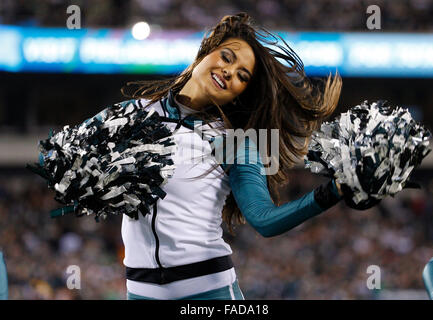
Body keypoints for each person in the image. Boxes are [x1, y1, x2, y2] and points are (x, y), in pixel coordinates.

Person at [47, 12, 345, 300]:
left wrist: (334, 191)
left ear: (240, 93)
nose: (229, 72)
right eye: (227, 57)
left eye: (242, 76)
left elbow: (265, 220)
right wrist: (92, 181)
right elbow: (57, 155)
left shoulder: (233, 142)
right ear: (205, 52)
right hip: (140, 293)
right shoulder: (131, 114)